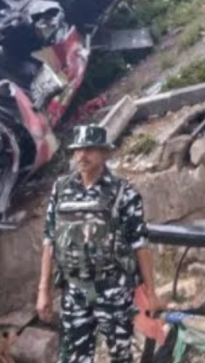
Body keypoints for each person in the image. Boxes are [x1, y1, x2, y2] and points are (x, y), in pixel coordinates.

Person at [36, 125, 163, 363]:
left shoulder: (123, 192)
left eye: (90, 149)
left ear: (104, 153)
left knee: (120, 357)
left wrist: (151, 293)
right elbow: (49, 240)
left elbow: (140, 244)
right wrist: (43, 290)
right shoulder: (62, 189)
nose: (82, 155)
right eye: (78, 149)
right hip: (74, 291)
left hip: (113, 291)